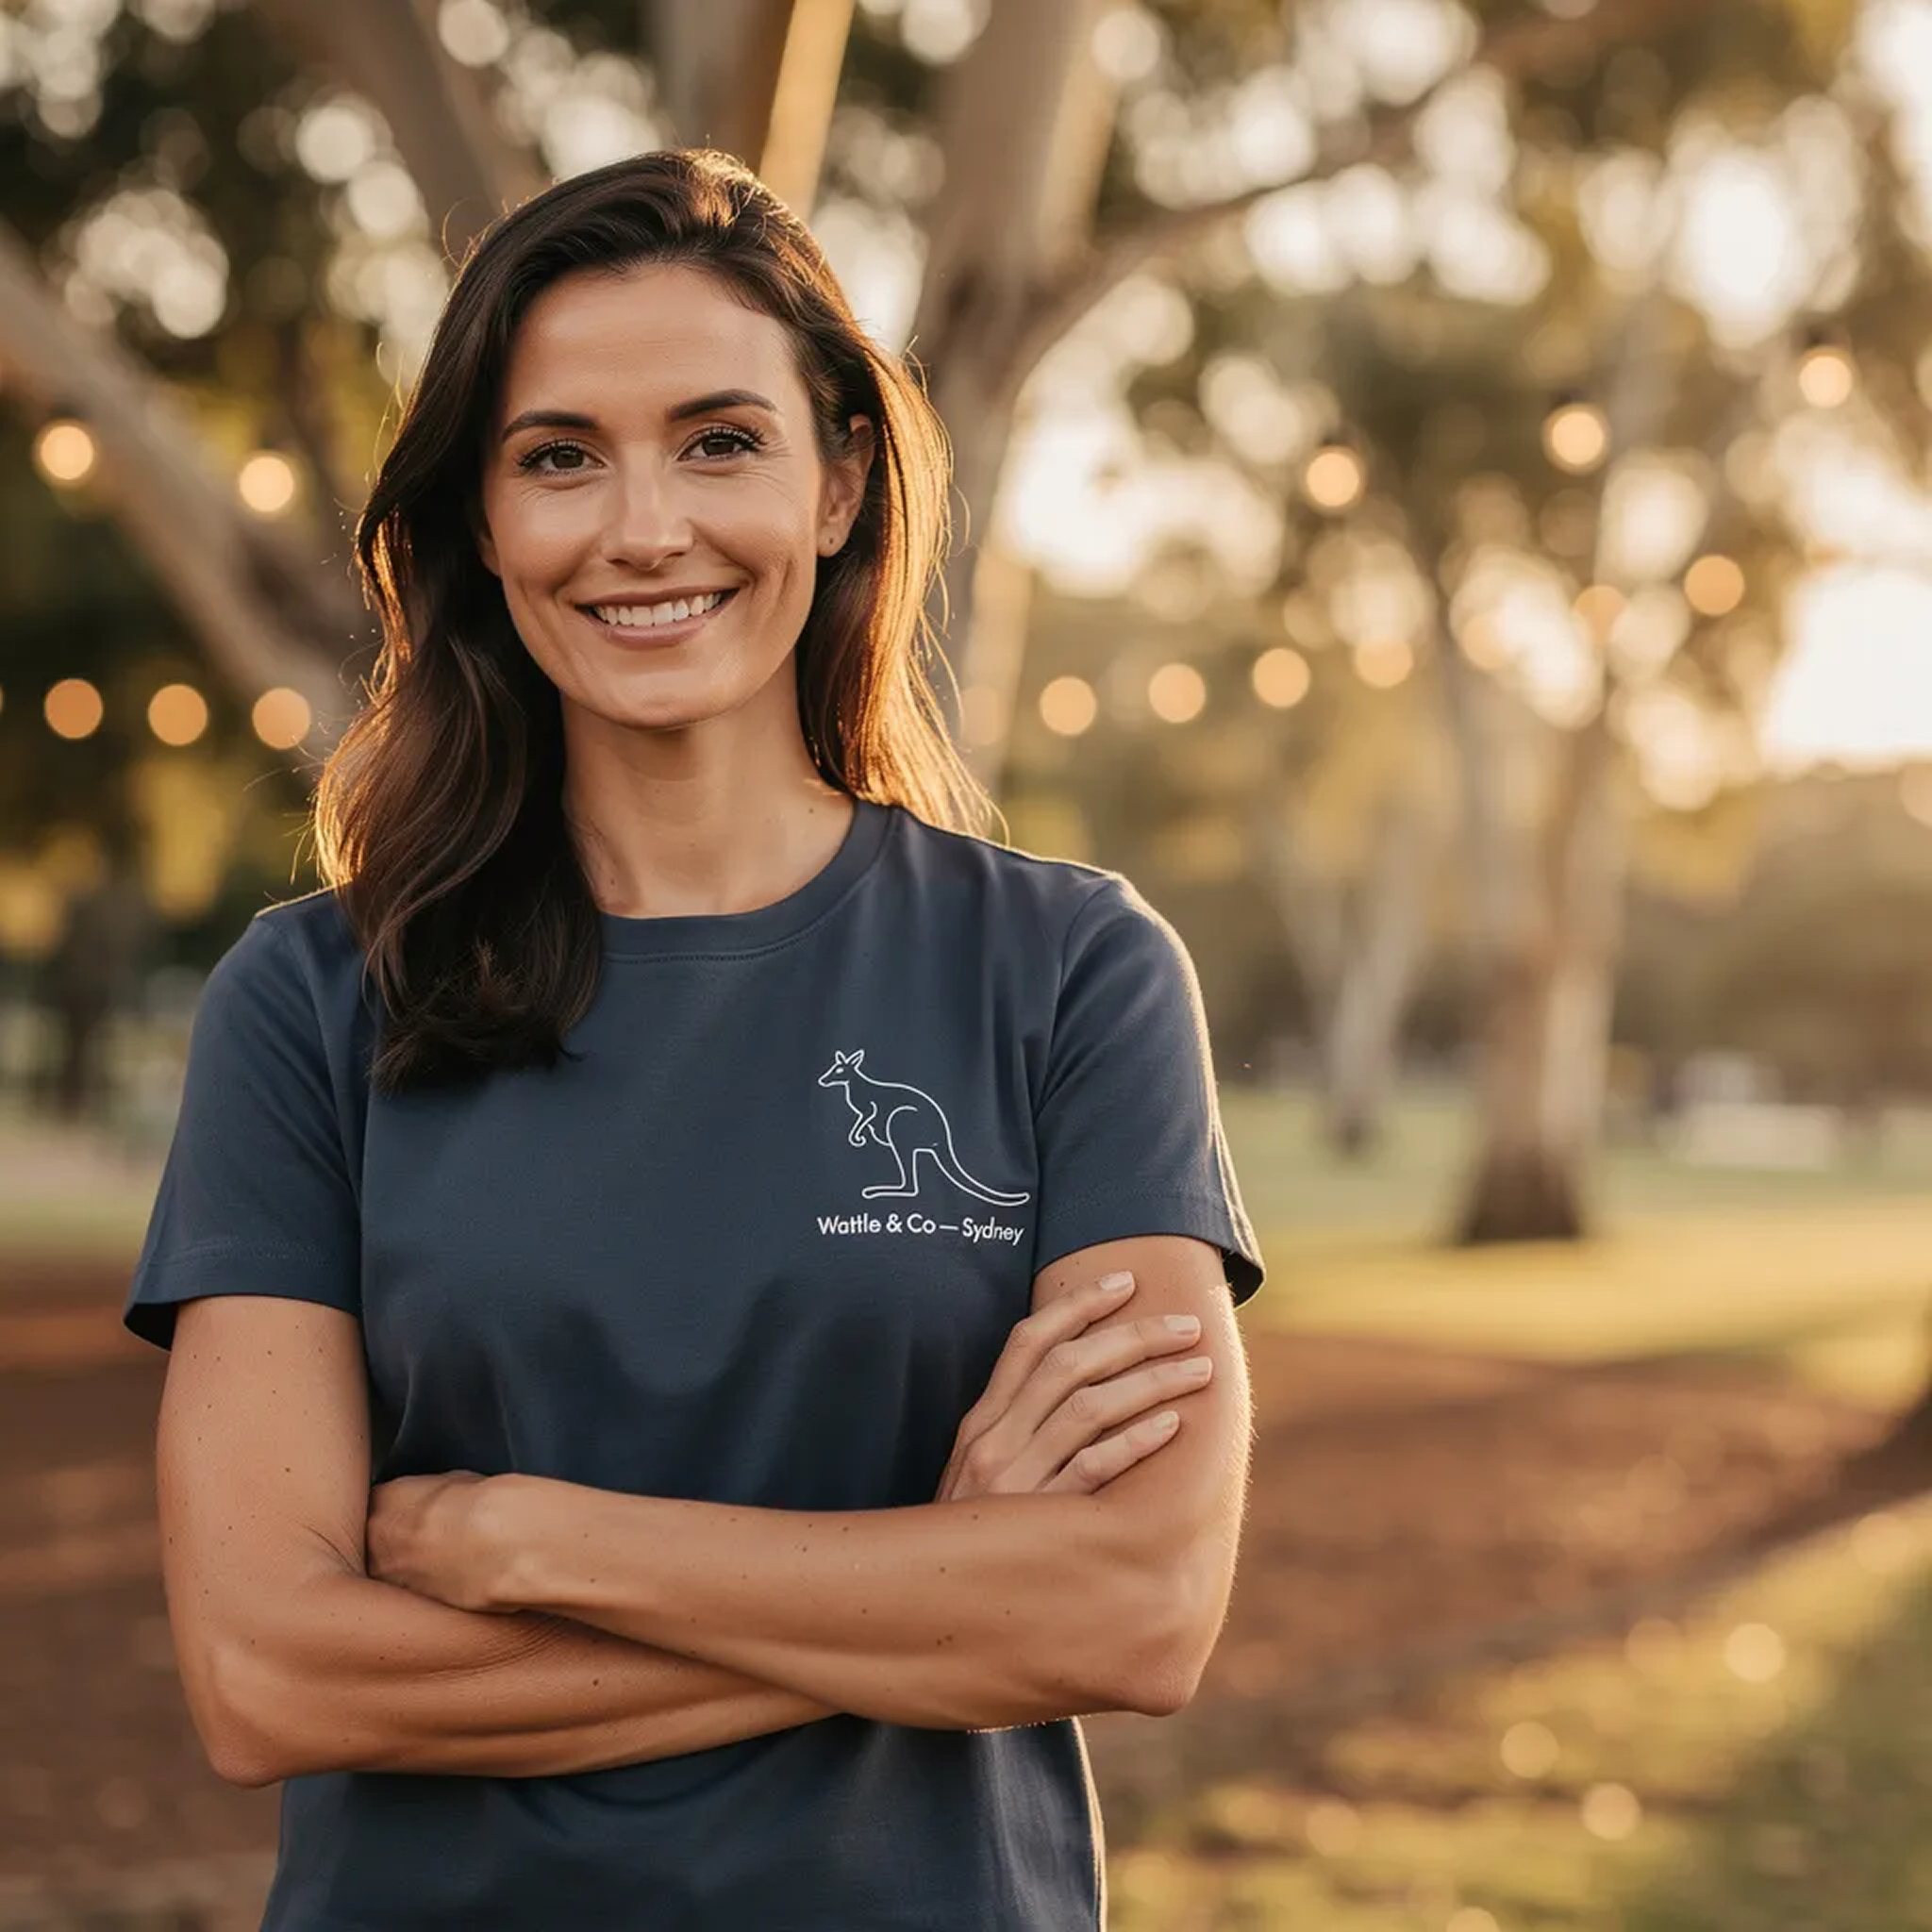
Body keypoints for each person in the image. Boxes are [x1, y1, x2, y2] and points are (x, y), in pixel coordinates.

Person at [125, 149, 1262, 1930]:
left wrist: (531, 1543)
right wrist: (935, 1594)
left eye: (720, 441)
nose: (643, 526)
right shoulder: (312, 1001)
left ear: (839, 482)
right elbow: (275, 1675)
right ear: (482, 524)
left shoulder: (1068, 973)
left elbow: (1134, 1613)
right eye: (560, 455)